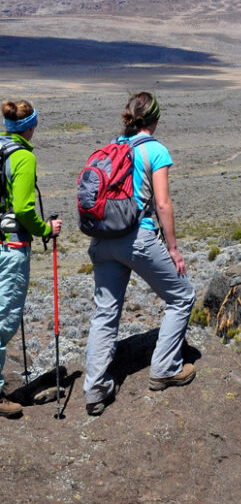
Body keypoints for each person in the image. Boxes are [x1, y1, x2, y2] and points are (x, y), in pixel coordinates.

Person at [84, 91, 196, 416]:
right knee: (183, 296)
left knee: (105, 314)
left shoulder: (113, 146)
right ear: (155, 119)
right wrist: (173, 249)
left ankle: (94, 390)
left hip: (102, 240)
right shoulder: (154, 150)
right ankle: (165, 367)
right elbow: (162, 204)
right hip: (137, 237)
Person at [0, 100, 62, 418]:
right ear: (31, 126)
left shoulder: (0, 148)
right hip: (10, 248)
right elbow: (24, 208)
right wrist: (45, 229)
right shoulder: (22, 157)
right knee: (4, 322)